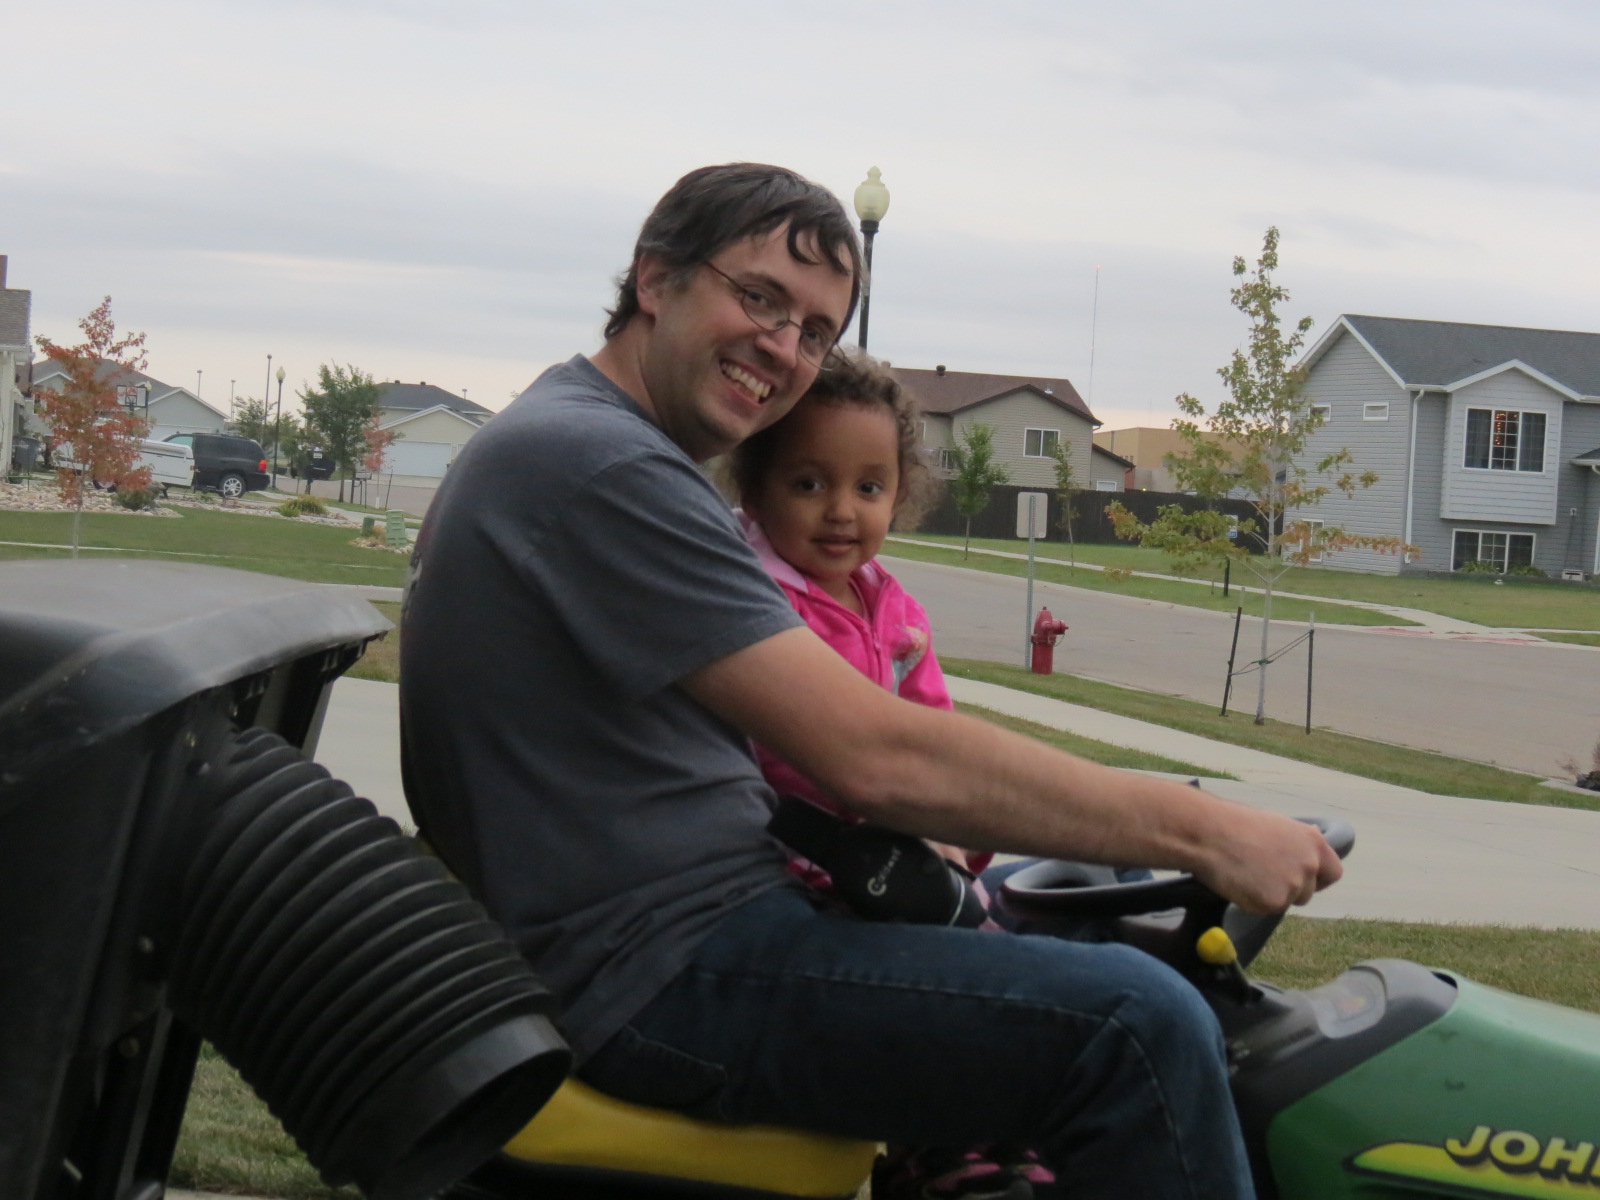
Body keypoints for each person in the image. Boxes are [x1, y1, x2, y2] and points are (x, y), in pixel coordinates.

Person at [400, 162, 1341, 1200]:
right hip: (659, 974)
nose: (784, 349)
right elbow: (874, 754)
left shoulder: (595, 446)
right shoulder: (598, 466)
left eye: (814, 331)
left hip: (692, 931)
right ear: (655, 281)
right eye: (759, 298)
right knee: (1135, 1024)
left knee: (1093, 926)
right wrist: (1202, 829)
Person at [732, 354, 1056, 1198]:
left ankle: (981, 1128)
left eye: (869, 489)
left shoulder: (889, 604)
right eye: (810, 484)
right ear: (757, 488)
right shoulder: (758, 601)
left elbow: (931, 734)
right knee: (972, 973)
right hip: (808, 864)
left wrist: (947, 837)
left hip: (892, 846)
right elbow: (799, 753)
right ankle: (940, 1146)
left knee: (1016, 927)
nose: (843, 512)